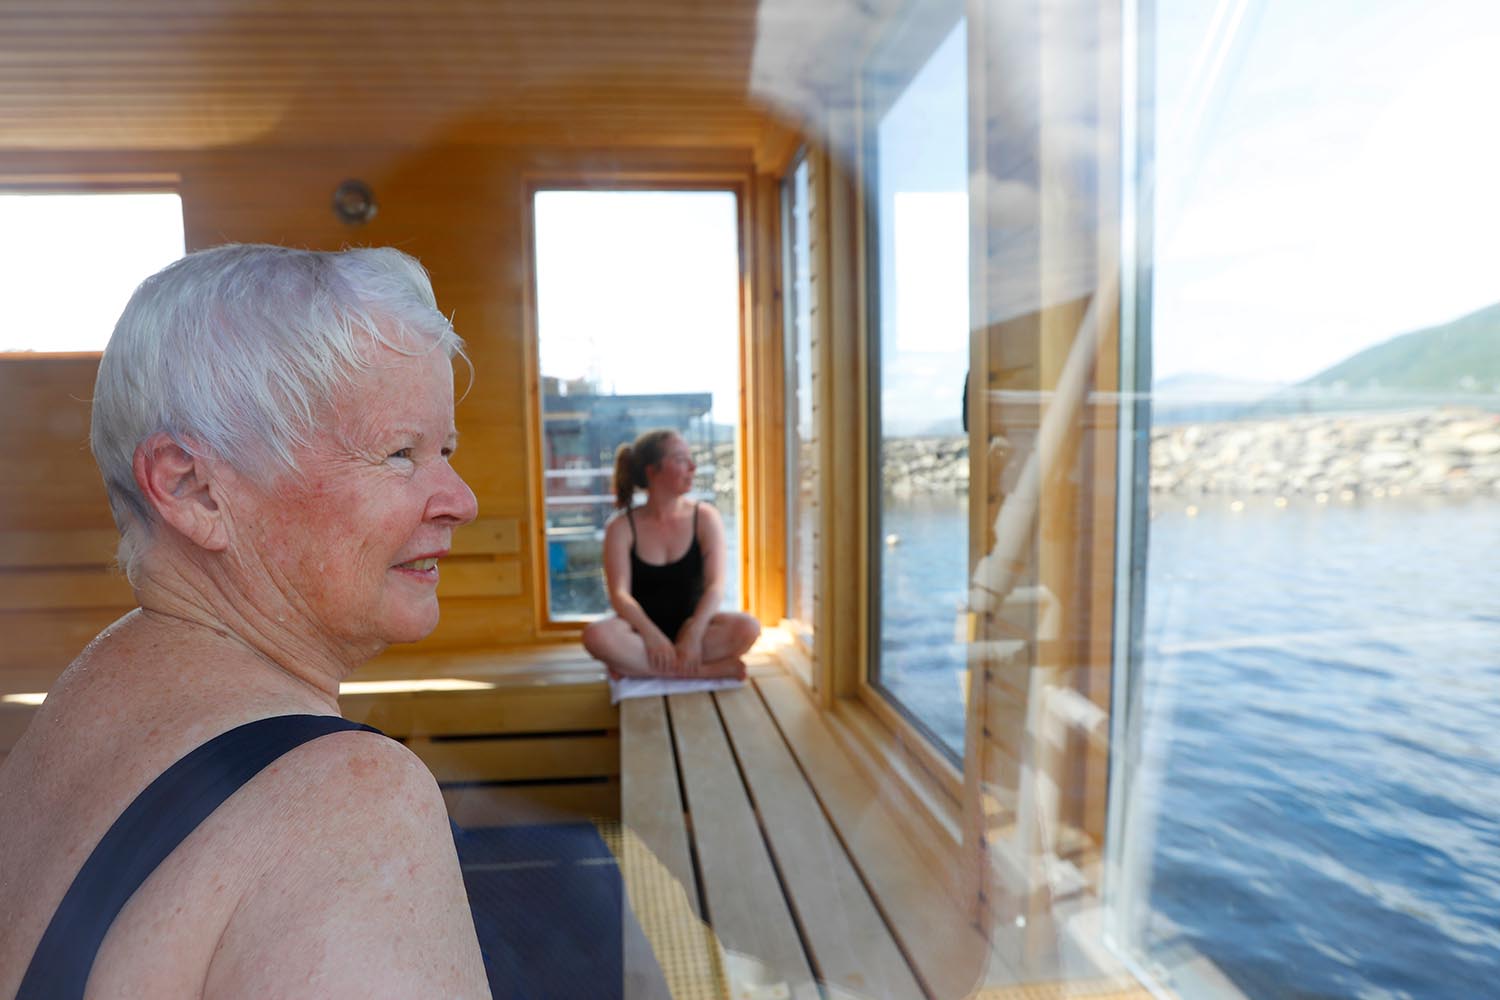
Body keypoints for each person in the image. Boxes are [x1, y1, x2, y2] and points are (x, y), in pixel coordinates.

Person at [0, 245, 491, 997]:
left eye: (446, 450)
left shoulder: (77, 708)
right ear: (193, 488)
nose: (462, 498)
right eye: (400, 453)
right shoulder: (348, 801)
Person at [582, 429, 760, 679]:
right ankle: (701, 672)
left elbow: (715, 587)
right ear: (652, 471)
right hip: (640, 635)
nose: (692, 467)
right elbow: (620, 596)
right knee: (596, 635)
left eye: (691, 459)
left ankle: (640, 669)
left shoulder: (705, 517)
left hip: (696, 628)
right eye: (680, 459)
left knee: (747, 627)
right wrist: (651, 636)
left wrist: (694, 634)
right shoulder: (621, 527)